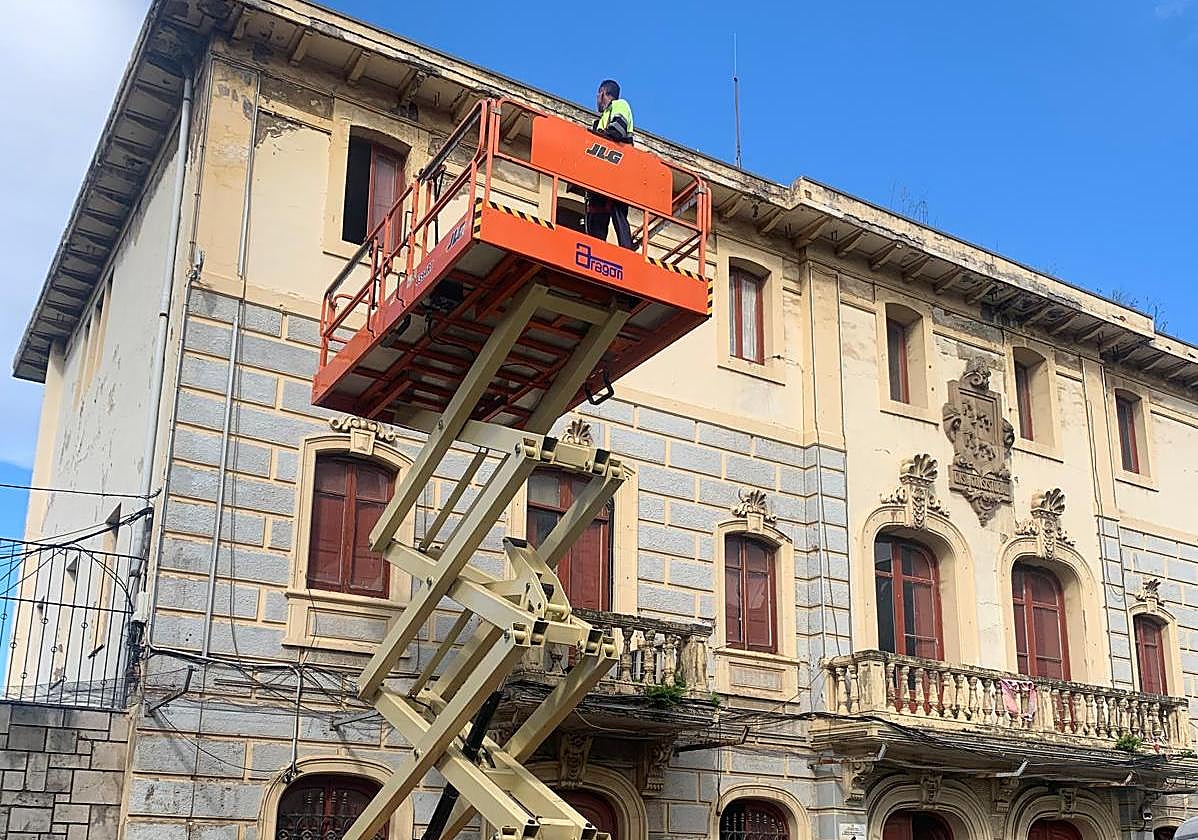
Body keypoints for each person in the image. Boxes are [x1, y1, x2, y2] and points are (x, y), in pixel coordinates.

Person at [585, 79, 635, 250]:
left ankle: (626, 253)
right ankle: (595, 251)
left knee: (618, 212)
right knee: (596, 216)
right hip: (603, 174)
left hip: (617, 170)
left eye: (597, 95)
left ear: (602, 92)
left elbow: (617, 130)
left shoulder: (619, 105)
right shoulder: (601, 119)